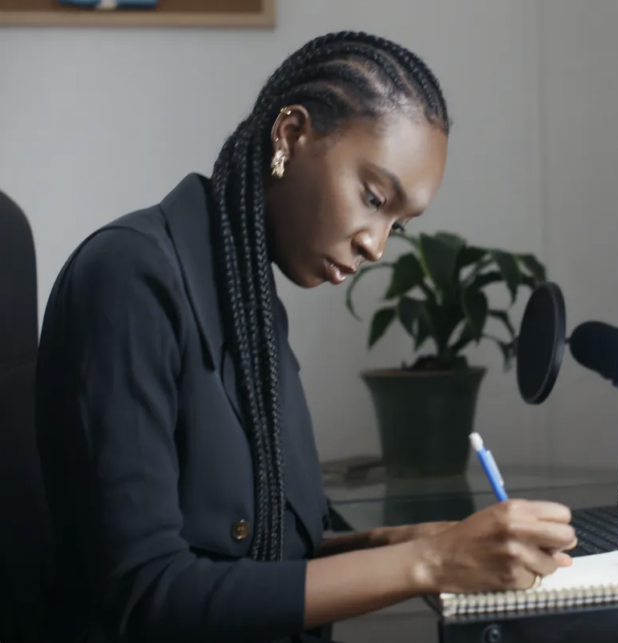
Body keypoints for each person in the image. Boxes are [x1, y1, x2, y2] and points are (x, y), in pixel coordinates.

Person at [34, 31, 577, 643]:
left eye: (397, 225)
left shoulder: (250, 301)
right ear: (291, 136)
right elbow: (149, 594)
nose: (375, 243)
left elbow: (270, 556)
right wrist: (429, 563)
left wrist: (416, 542)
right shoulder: (131, 277)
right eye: (373, 198)